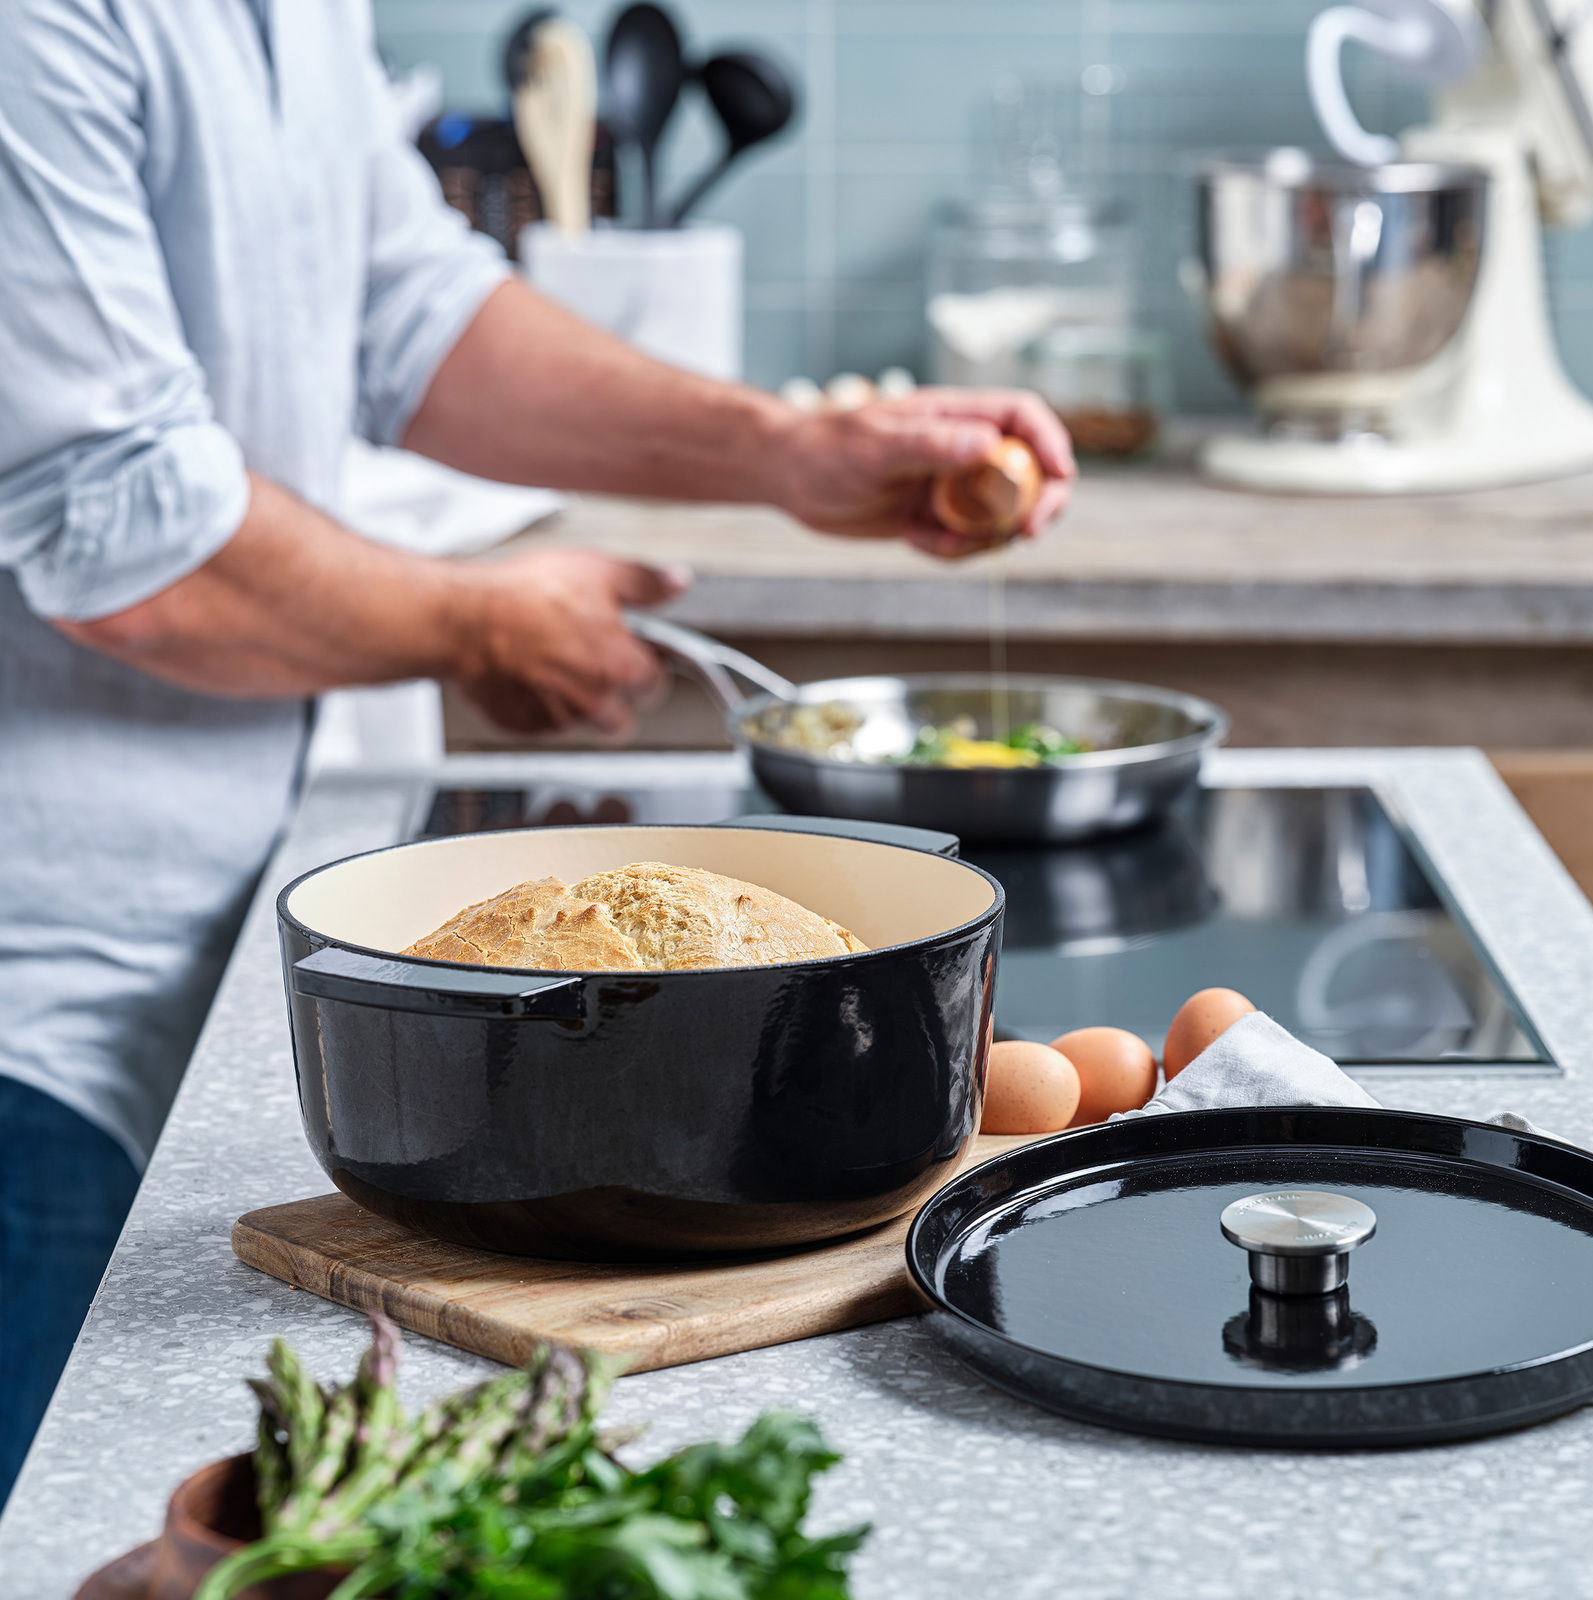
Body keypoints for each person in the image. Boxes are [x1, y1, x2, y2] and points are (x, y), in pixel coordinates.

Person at [0, 0, 1074, 1503]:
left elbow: (412, 314)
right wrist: (475, 624)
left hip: (232, 929)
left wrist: (784, 450)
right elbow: (123, 535)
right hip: (41, 995)